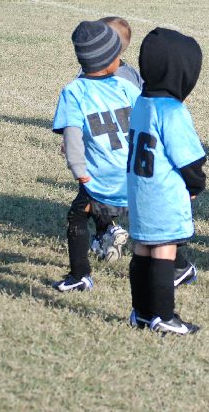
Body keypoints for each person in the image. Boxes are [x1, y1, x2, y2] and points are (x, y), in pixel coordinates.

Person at [126, 28, 207, 335]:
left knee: (143, 249)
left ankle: (141, 312)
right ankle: (163, 316)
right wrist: (196, 185)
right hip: (164, 193)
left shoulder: (141, 102)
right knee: (164, 250)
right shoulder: (172, 111)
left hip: (140, 191)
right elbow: (188, 159)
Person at [51, 21, 142, 292]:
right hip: (133, 175)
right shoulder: (126, 87)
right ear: (111, 60)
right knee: (149, 219)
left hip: (98, 179)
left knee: (77, 217)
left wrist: (78, 168)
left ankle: (80, 274)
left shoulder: (73, 91)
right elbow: (148, 121)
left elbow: (72, 136)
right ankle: (174, 265)